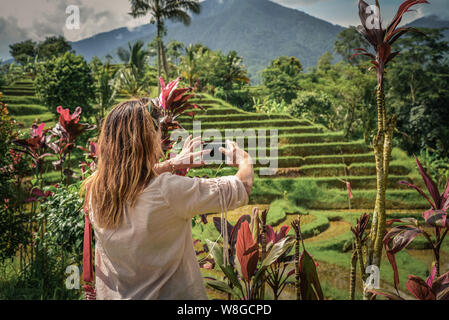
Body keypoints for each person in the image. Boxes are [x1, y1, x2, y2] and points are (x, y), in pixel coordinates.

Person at [82, 99, 254, 300]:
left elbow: (129, 176)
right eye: (158, 130)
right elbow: (242, 187)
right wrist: (244, 160)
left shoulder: (95, 189)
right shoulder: (166, 190)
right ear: (148, 138)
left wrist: (172, 163)